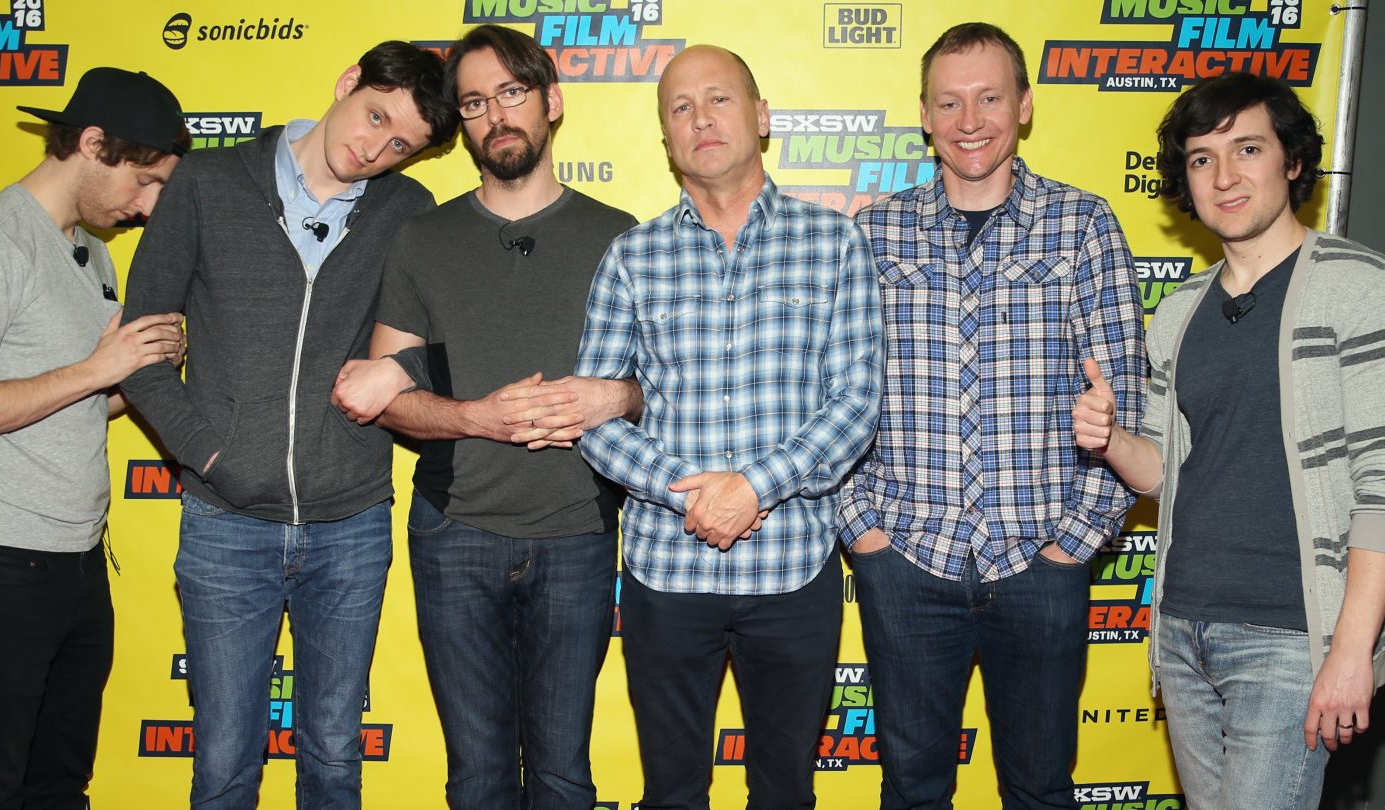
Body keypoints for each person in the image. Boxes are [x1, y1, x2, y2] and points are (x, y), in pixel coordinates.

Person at [117, 42, 457, 808]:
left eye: (400, 143)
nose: (374, 147)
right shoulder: (207, 182)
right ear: (346, 84)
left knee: (335, 756)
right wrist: (212, 455)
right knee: (226, 762)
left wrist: (400, 372)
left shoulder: (407, 212)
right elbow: (137, 354)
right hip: (224, 522)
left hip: (352, 521)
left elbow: (441, 347)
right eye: (374, 115)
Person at [328, 24, 640, 809]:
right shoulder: (422, 239)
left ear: (551, 102)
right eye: (473, 102)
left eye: (512, 93)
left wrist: (619, 397)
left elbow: (669, 387)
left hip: (578, 532)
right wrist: (479, 417)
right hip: (454, 533)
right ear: (460, 123)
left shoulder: (621, 237)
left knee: (565, 772)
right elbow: (388, 391)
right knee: (477, 776)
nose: (495, 115)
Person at [839, 22, 1145, 809]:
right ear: (925, 114)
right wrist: (864, 533)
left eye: (988, 98)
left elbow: (1126, 403)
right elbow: (829, 392)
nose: (969, 119)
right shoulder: (872, 234)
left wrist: (1072, 545)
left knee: (1040, 789)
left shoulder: (1083, 226)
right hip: (905, 559)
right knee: (911, 788)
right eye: (949, 102)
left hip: (1041, 564)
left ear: (1025, 105)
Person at [573, 44, 882, 810]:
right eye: (681, 107)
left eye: (718, 99)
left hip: (792, 571)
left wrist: (753, 489)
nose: (701, 118)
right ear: (666, 136)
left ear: (762, 116)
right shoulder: (631, 257)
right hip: (665, 573)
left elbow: (855, 404)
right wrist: (690, 495)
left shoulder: (833, 243)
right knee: (672, 792)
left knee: (785, 792)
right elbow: (595, 416)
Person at [1072, 71, 1385, 809]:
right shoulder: (1180, 310)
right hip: (1182, 628)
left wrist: (1350, 652)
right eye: (1202, 158)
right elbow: (1161, 470)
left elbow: (1382, 489)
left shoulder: (1357, 287)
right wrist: (1111, 438)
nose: (1225, 175)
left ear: (1294, 161)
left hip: (1290, 635)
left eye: (1248, 148)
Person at [0, 67, 188, 809]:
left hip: (77, 560)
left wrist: (131, 370)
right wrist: (95, 368)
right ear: (91, 144)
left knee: (59, 783)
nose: (147, 207)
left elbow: (77, 403)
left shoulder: (91, 252)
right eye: (143, 183)